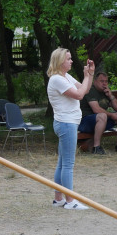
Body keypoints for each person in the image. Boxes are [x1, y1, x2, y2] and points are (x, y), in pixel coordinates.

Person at [47, 48, 95, 210]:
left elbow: (84, 89)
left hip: (68, 123)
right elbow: (79, 95)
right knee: (68, 164)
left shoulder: (65, 76)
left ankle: (58, 199)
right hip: (66, 124)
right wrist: (87, 77)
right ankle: (70, 201)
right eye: (68, 59)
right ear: (60, 62)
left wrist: (89, 74)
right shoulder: (56, 79)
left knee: (62, 163)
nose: (71, 61)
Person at [80, 71, 117, 154]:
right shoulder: (90, 90)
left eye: (106, 81)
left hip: (101, 121)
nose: (104, 84)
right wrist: (111, 115)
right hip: (85, 122)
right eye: (101, 81)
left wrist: (111, 96)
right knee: (102, 116)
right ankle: (96, 147)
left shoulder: (105, 92)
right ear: (95, 81)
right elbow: (96, 109)